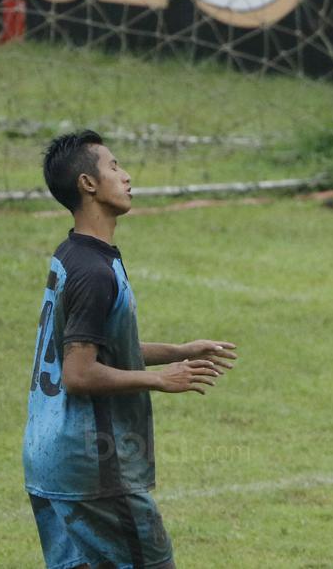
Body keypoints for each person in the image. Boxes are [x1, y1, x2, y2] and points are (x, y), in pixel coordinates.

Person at [24, 130, 238, 569]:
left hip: (48, 458)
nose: (126, 176)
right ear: (88, 184)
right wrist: (163, 379)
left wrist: (177, 350)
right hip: (91, 466)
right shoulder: (94, 272)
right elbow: (79, 373)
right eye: (115, 166)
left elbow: (95, 347)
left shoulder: (73, 254)